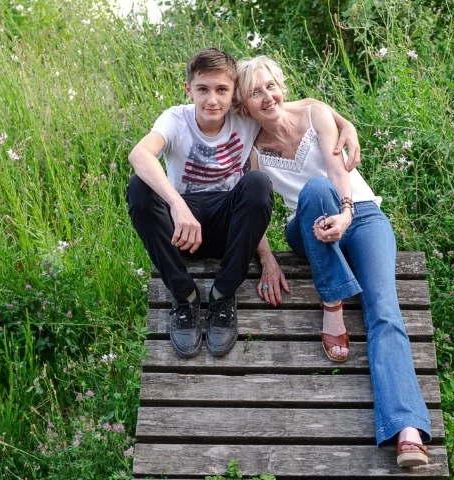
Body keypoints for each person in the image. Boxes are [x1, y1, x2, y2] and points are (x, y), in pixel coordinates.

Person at [236, 56, 431, 468]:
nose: (267, 96)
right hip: (305, 229)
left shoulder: (314, 114)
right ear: (245, 103)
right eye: (256, 92)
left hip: (360, 216)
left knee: (384, 309)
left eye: (271, 85)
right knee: (313, 192)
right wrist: (267, 258)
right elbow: (254, 211)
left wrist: (346, 213)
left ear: (281, 86)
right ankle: (333, 306)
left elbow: (337, 168)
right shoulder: (252, 149)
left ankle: (408, 430)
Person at [126, 48, 360, 359]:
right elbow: (139, 154)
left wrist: (347, 124)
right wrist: (177, 205)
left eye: (222, 90)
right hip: (183, 232)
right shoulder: (174, 119)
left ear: (234, 93)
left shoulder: (245, 118)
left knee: (257, 183)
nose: (212, 100)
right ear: (188, 90)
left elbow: (308, 106)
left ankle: (223, 294)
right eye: (203, 90)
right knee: (139, 186)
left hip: (228, 231)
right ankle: (183, 295)